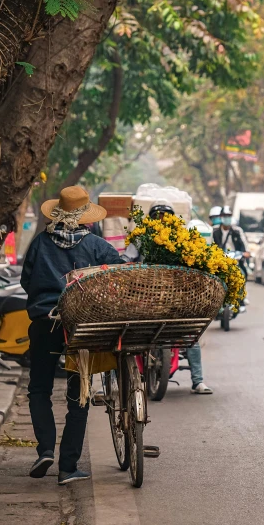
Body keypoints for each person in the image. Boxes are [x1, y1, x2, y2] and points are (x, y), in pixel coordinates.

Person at [21, 186, 123, 485]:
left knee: (39, 388)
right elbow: (116, 278)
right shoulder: (97, 246)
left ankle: (44, 450)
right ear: (85, 217)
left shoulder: (40, 243)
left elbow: (27, 280)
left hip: (44, 323)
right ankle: (68, 466)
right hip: (81, 327)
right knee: (78, 395)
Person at [148, 203, 213, 394]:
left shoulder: (182, 240)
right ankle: (110, 385)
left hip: (177, 297)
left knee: (190, 337)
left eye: (165, 216)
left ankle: (198, 381)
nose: (162, 220)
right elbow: (130, 257)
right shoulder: (141, 238)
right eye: (158, 216)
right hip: (148, 296)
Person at [213, 205, 249, 310]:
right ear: (220, 217)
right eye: (224, 216)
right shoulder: (214, 231)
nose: (226, 218)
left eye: (228, 215)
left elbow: (245, 247)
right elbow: (210, 245)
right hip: (218, 262)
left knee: (241, 275)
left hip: (235, 262)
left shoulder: (237, 231)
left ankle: (241, 300)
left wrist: (245, 253)